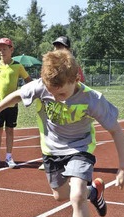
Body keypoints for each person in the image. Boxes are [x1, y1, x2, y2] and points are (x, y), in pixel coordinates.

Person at [0, 49, 124, 217]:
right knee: (60, 195)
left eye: (61, 94)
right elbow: (16, 95)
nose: (55, 98)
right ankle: (95, 193)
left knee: (76, 195)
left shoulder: (91, 99)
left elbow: (116, 130)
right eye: (51, 93)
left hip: (80, 148)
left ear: (75, 80)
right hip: (52, 150)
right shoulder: (42, 87)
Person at [0, 38, 32, 169]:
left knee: (10, 130)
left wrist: (24, 93)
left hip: (12, 105)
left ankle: (9, 157)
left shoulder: (17, 66)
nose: (2, 52)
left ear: (11, 50)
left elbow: (28, 80)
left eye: (4, 49)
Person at [37, 36, 86, 171]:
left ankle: (74, 159)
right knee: (48, 131)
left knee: (69, 132)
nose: (58, 49)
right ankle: (48, 157)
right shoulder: (50, 64)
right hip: (52, 104)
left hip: (69, 106)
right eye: (56, 46)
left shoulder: (73, 66)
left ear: (68, 49)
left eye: (61, 46)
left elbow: (81, 83)